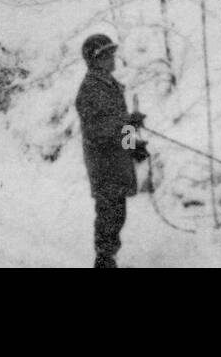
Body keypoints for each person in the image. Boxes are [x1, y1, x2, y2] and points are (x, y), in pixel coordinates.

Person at [75, 34, 148, 268]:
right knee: (109, 214)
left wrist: (132, 145)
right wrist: (127, 121)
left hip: (116, 160)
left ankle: (108, 259)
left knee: (118, 214)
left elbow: (119, 124)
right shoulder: (89, 90)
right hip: (103, 163)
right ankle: (104, 261)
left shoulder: (110, 85)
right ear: (95, 60)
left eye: (111, 53)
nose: (112, 58)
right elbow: (97, 129)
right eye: (107, 55)